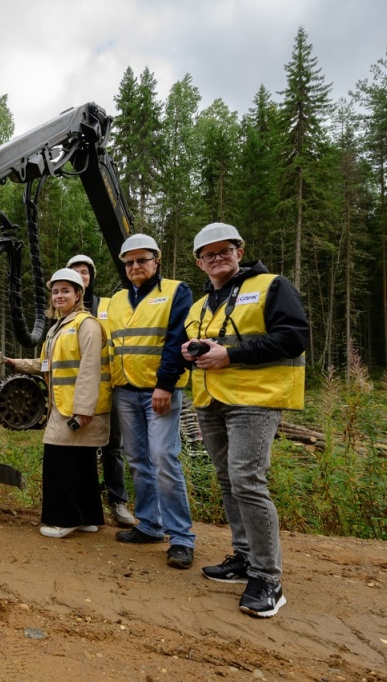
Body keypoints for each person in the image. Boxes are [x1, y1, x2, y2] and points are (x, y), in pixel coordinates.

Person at [183, 222, 309, 618]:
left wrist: (231, 355)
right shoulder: (201, 305)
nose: (216, 258)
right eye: (208, 254)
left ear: (240, 250)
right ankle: (243, 556)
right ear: (199, 262)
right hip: (211, 398)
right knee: (227, 479)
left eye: (224, 251)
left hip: (256, 399)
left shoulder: (273, 286)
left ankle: (268, 577)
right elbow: (208, 345)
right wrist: (192, 351)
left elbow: (294, 336)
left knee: (247, 480)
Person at [106, 233, 196, 569]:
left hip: (160, 391)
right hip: (125, 390)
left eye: (141, 260)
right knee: (138, 460)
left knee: (163, 458)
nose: (134, 266)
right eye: (128, 262)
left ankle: (182, 539)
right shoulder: (116, 300)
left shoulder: (176, 291)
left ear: (156, 260)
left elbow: (178, 339)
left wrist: (165, 384)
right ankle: (149, 525)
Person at [5, 268, 109, 538]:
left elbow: (90, 368)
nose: (59, 296)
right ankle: (87, 517)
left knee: (59, 462)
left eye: (65, 291)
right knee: (82, 463)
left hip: (74, 408)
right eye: (55, 291)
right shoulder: (58, 328)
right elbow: (47, 365)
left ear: (78, 294)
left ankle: (63, 520)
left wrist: (84, 410)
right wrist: (17, 363)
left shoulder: (86, 324)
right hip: (64, 406)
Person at [66, 254, 136, 528]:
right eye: (75, 272)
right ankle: (82, 503)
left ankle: (118, 502)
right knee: (77, 448)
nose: (81, 276)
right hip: (74, 393)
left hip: (109, 388)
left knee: (112, 447)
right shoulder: (64, 314)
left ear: (90, 276)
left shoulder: (109, 306)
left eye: (84, 271)